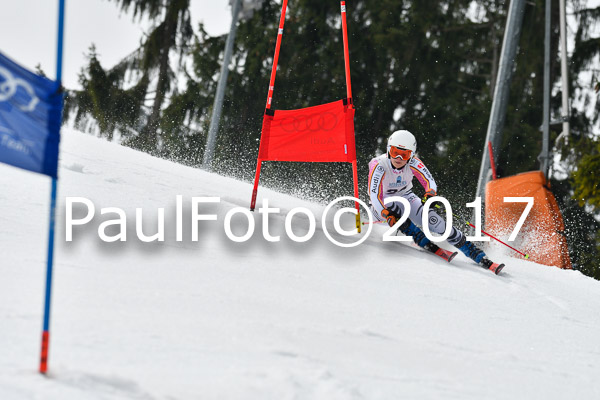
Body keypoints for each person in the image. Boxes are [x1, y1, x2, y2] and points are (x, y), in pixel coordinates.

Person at [368, 129, 504, 274]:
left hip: (406, 196)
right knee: (394, 210)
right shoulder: (379, 165)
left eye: (405, 154)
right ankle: (418, 237)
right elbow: (374, 195)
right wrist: (385, 212)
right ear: (389, 150)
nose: (399, 157)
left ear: (411, 155)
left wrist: (430, 195)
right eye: (395, 152)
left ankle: (476, 254)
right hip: (381, 205)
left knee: (436, 223)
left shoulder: (414, 162)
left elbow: (430, 182)